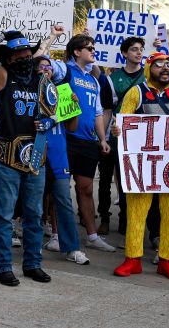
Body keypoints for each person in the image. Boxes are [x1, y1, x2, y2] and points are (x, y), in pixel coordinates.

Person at [111, 52, 169, 281]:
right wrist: (117, 129)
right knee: (136, 212)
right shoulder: (136, 92)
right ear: (149, 68)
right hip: (144, 167)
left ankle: (167, 260)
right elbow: (122, 118)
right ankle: (132, 258)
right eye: (159, 64)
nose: (165, 68)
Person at [0, 30, 54, 287]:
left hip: (36, 156)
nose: (24, 55)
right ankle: (3, 266)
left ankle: (32, 264)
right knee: (4, 216)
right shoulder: (1, 76)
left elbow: (56, 112)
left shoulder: (42, 80)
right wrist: (1, 37)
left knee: (34, 215)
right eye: (18, 52)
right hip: (8, 157)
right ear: (9, 58)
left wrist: (48, 122)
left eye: (26, 51)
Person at [62, 35, 114, 253]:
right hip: (65, 137)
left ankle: (92, 236)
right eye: (89, 48)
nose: (93, 51)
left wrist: (102, 139)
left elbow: (98, 113)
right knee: (59, 188)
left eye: (94, 47)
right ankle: (56, 234)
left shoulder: (94, 80)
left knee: (85, 189)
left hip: (88, 142)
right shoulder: (64, 71)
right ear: (76, 52)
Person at [36, 56, 90, 265]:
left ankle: (72, 248)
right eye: (40, 67)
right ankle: (32, 245)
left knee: (64, 201)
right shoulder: (29, 93)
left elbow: (72, 128)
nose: (45, 70)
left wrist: (75, 108)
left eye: (48, 67)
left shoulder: (62, 92)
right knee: (34, 203)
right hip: (36, 154)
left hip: (58, 156)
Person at [107, 37, 147, 234]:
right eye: (133, 49)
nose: (138, 53)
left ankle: (142, 223)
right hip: (120, 137)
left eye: (141, 49)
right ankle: (124, 221)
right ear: (124, 54)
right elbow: (109, 108)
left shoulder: (149, 75)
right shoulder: (114, 79)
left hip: (146, 138)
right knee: (124, 182)